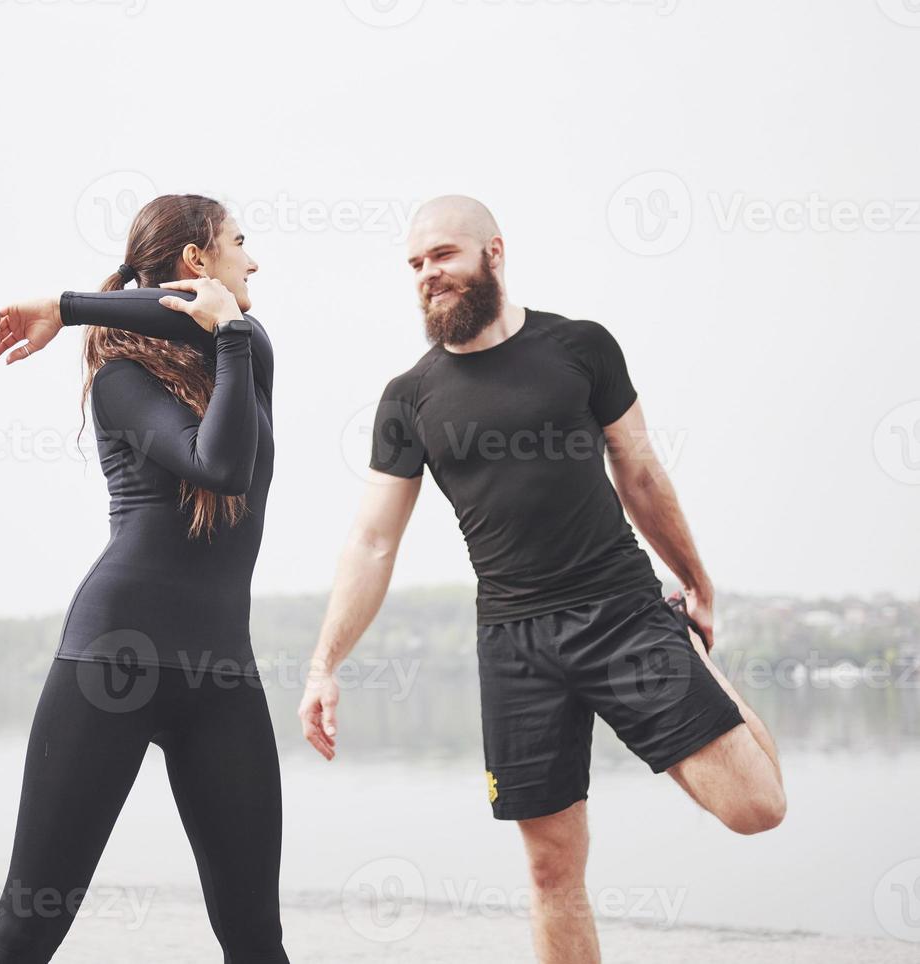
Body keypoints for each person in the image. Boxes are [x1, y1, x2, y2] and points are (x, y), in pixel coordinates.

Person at [297, 195, 787, 964]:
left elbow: (641, 472)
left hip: (622, 611)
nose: (429, 275)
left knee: (757, 808)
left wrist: (695, 579)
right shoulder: (409, 396)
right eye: (417, 265)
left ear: (493, 252)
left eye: (444, 256)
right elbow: (371, 543)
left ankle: (696, 667)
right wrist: (325, 665)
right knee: (551, 867)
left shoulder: (581, 347)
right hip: (514, 644)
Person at [0, 193, 290, 962]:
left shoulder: (248, 354)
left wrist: (65, 304)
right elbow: (217, 467)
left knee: (256, 937)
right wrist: (76, 311)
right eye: (239, 243)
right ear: (198, 261)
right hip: (113, 658)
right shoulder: (123, 379)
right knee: (28, 930)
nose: (253, 259)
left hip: (220, 670)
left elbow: (233, 442)